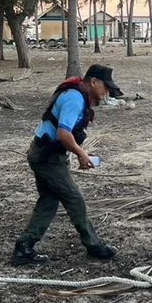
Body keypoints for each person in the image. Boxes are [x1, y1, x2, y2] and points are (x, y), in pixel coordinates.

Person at [12, 65, 123, 266]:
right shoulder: (75, 98)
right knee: (75, 199)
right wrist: (81, 153)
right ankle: (93, 245)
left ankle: (24, 247)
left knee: (48, 201)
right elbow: (63, 133)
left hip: (44, 153)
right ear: (93, 82)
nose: (107, 92)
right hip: (48, 158)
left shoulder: (76, 95)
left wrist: (79, 154)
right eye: (106, 87)